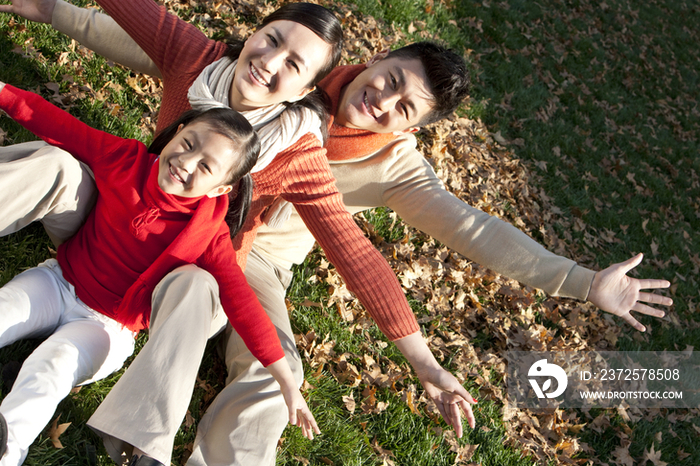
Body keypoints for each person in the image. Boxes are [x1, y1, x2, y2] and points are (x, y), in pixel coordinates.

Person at [0, 1, 483, 465]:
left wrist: (424, 363)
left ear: (305, 89)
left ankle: (141, 445)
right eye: (271, 40)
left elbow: (352, 250)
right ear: (254, 31)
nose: (269, 63)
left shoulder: (296, 153)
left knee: (214, 305)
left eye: (294, 64)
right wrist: (51, 10)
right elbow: (132, 10)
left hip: (168, 277)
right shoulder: (198, 59)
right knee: (57, 165)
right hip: (109, 223)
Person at [0, 82, 321, 466]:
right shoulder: (126, 159)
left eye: (205, 166)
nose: (186, 163)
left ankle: (8, 448)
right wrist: (4, 93)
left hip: (108, 329)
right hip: (57, 282)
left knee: (49, 369)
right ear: (177, 132)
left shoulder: (209, 233)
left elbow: (241, 301)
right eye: (188, 144)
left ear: (221, 187)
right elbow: (60, 125)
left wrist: (286, 379)